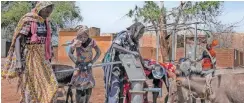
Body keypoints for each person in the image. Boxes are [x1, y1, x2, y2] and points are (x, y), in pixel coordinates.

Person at [1, 1, 58, 103]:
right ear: (40, 9)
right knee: (30, 87)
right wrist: (19, 61)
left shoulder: (45, 22)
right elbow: (18, 39)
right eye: (46, 12)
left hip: (43, 57)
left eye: (49, 13)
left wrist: (49, 56)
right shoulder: (29, 20)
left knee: (53, 85)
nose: (48, 15)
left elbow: (47, 41)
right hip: (30, 57)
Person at [102, 22, 145, 103]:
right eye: (140, 32)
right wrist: (130, 52)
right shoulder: (124, 35)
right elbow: (115, 46)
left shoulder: (134, 41)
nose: (140, 35)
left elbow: (138, 54)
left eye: (142, 33)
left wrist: (145, 64)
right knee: (114, 89)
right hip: (114, 67)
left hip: (124, 68)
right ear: (135, 30)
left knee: (121, 92)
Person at [68, 25, 101, 103]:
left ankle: (87, 101)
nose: (83, 39)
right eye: (81, 37)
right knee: (78, 86)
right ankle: (79, 101)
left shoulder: (91, 41)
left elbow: (98, 52)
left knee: (89, 86)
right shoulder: (75, 41)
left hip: (88, 68)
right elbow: (70, 53)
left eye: (85, 37)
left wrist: (92, 62)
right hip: (79, 68)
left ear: (88, 35)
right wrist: (76, 62)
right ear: (78, 35)